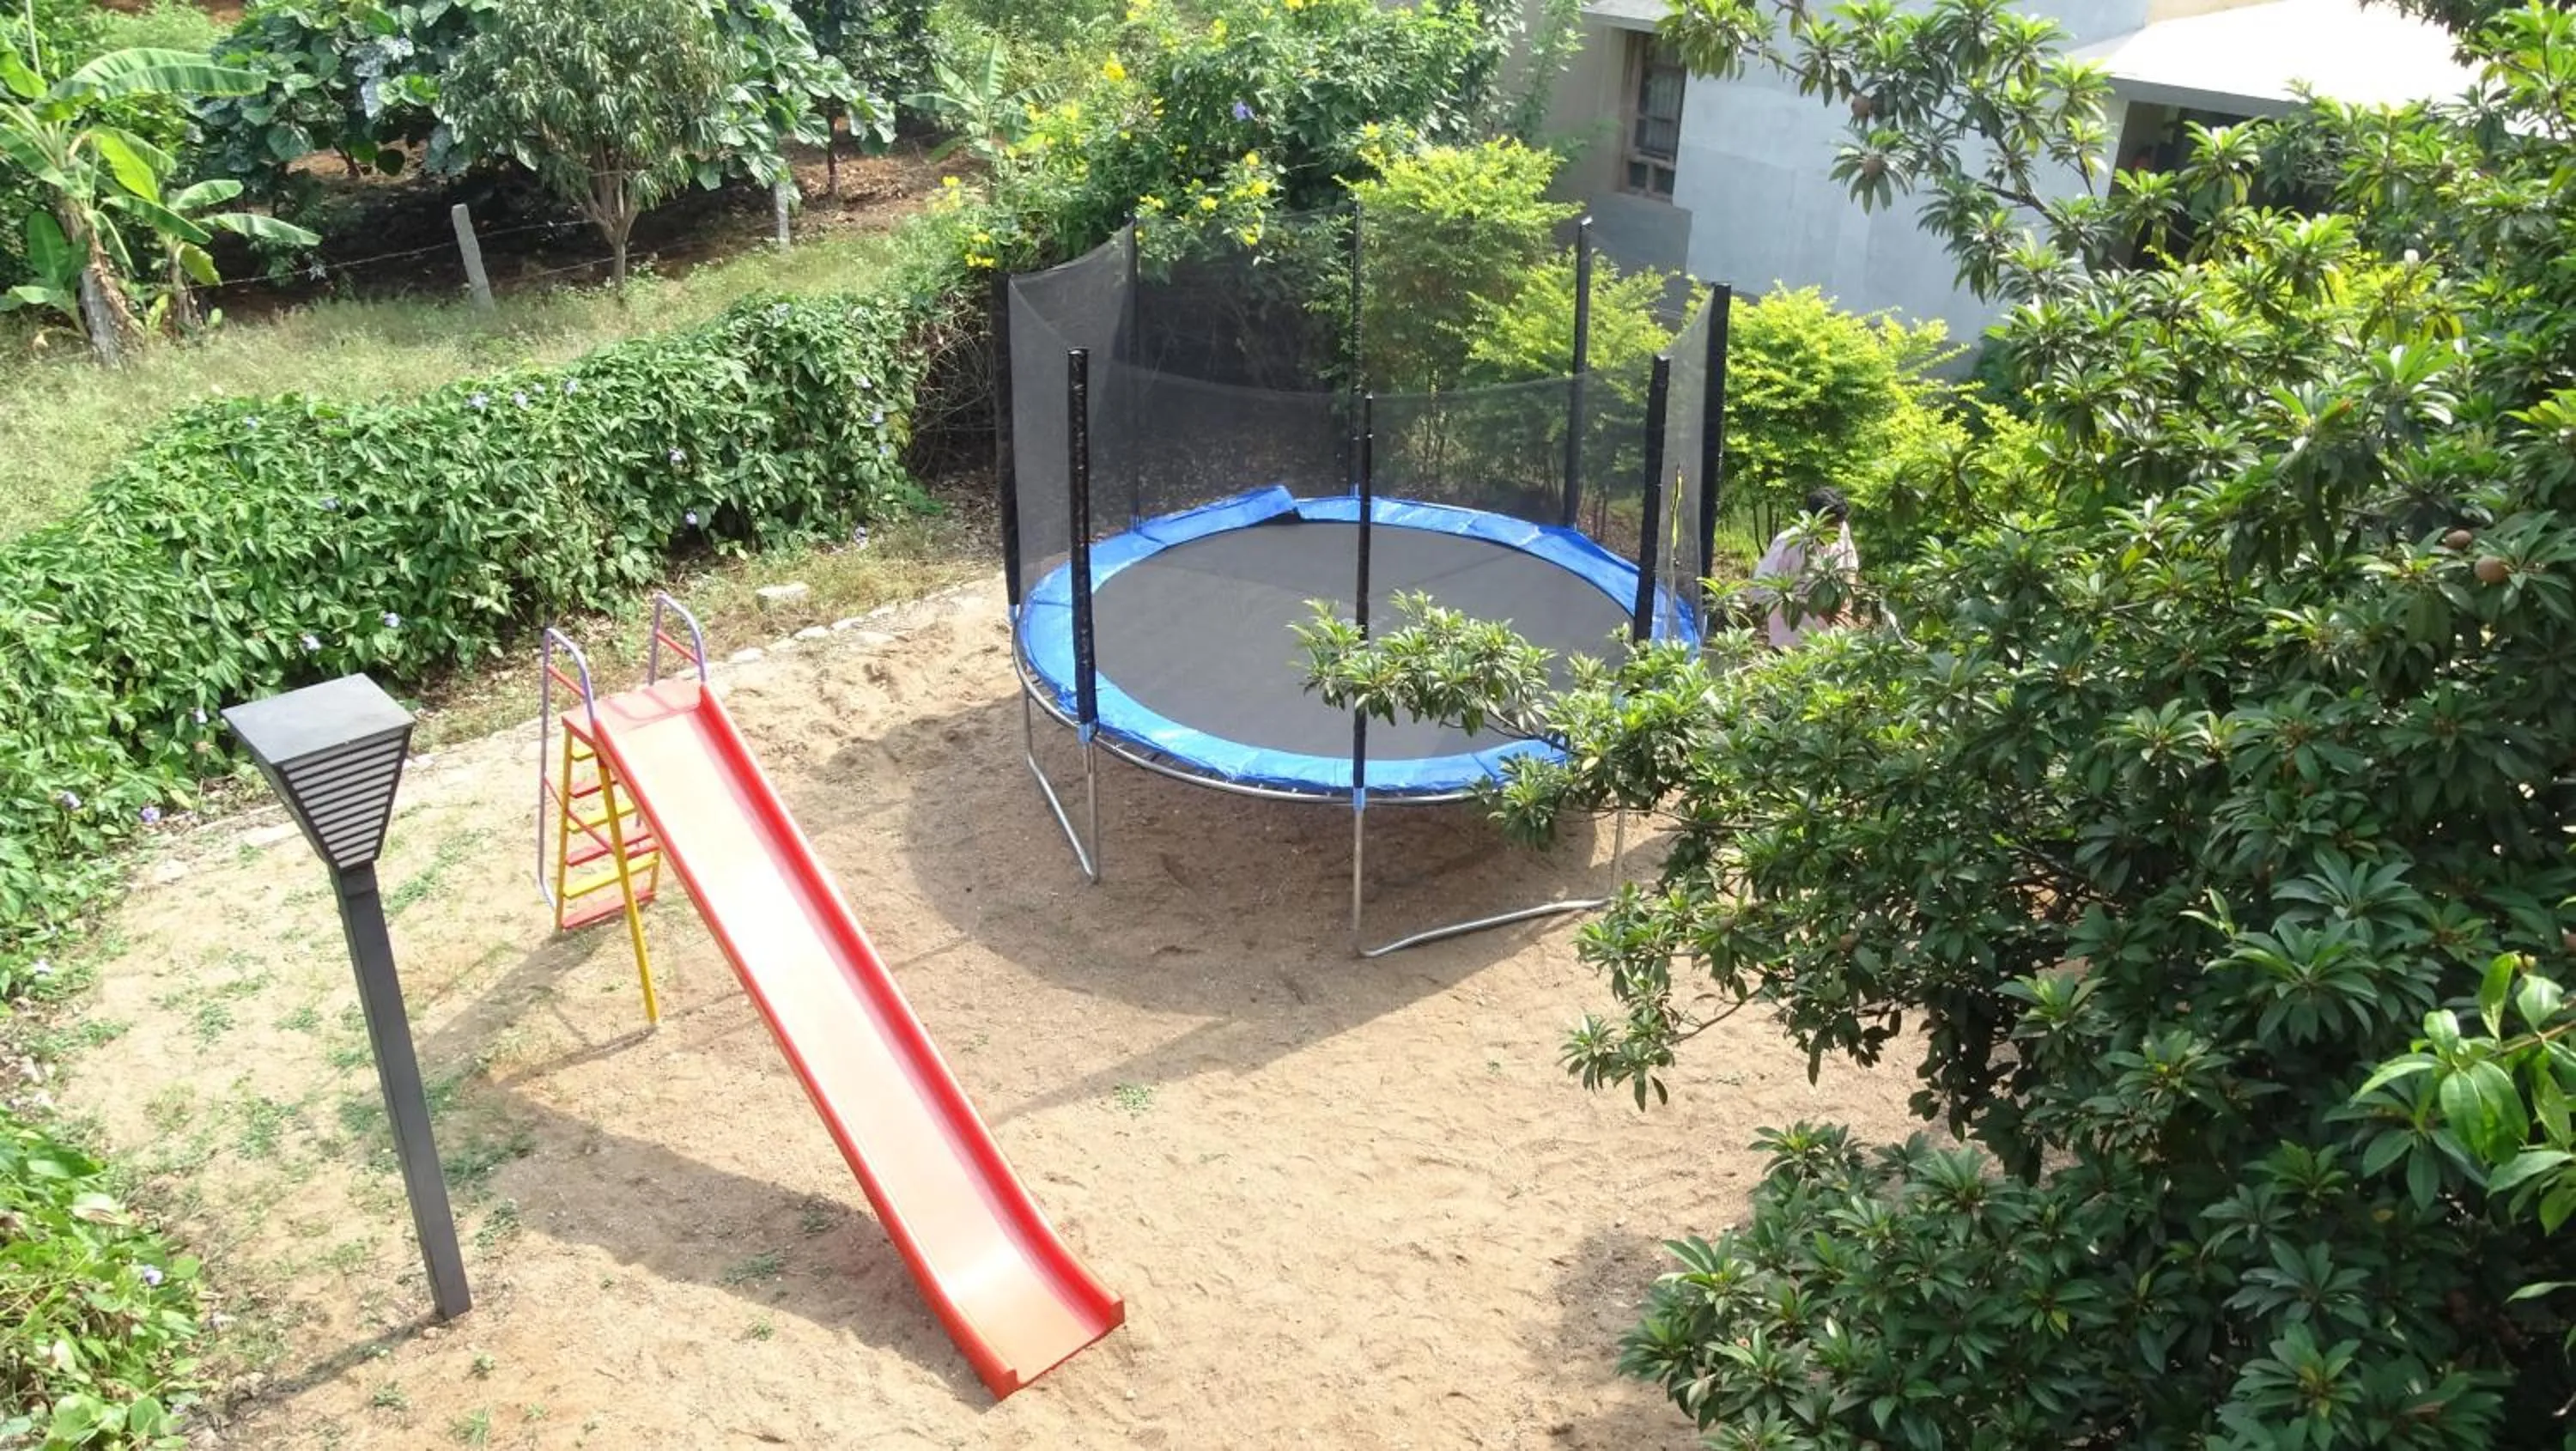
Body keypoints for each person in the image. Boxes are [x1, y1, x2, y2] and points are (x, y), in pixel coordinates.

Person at [1748, 487, 1860, 649]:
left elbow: (1850, 567)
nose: (1836, 530)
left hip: (1831, 639)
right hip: (1792, 642)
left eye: (1839, 524)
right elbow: (1758, 590)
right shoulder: (1788, 544)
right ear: (1814, 521)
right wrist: (1807, 606)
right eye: (1831, 524)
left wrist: (1845, 606)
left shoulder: (1841, 530)